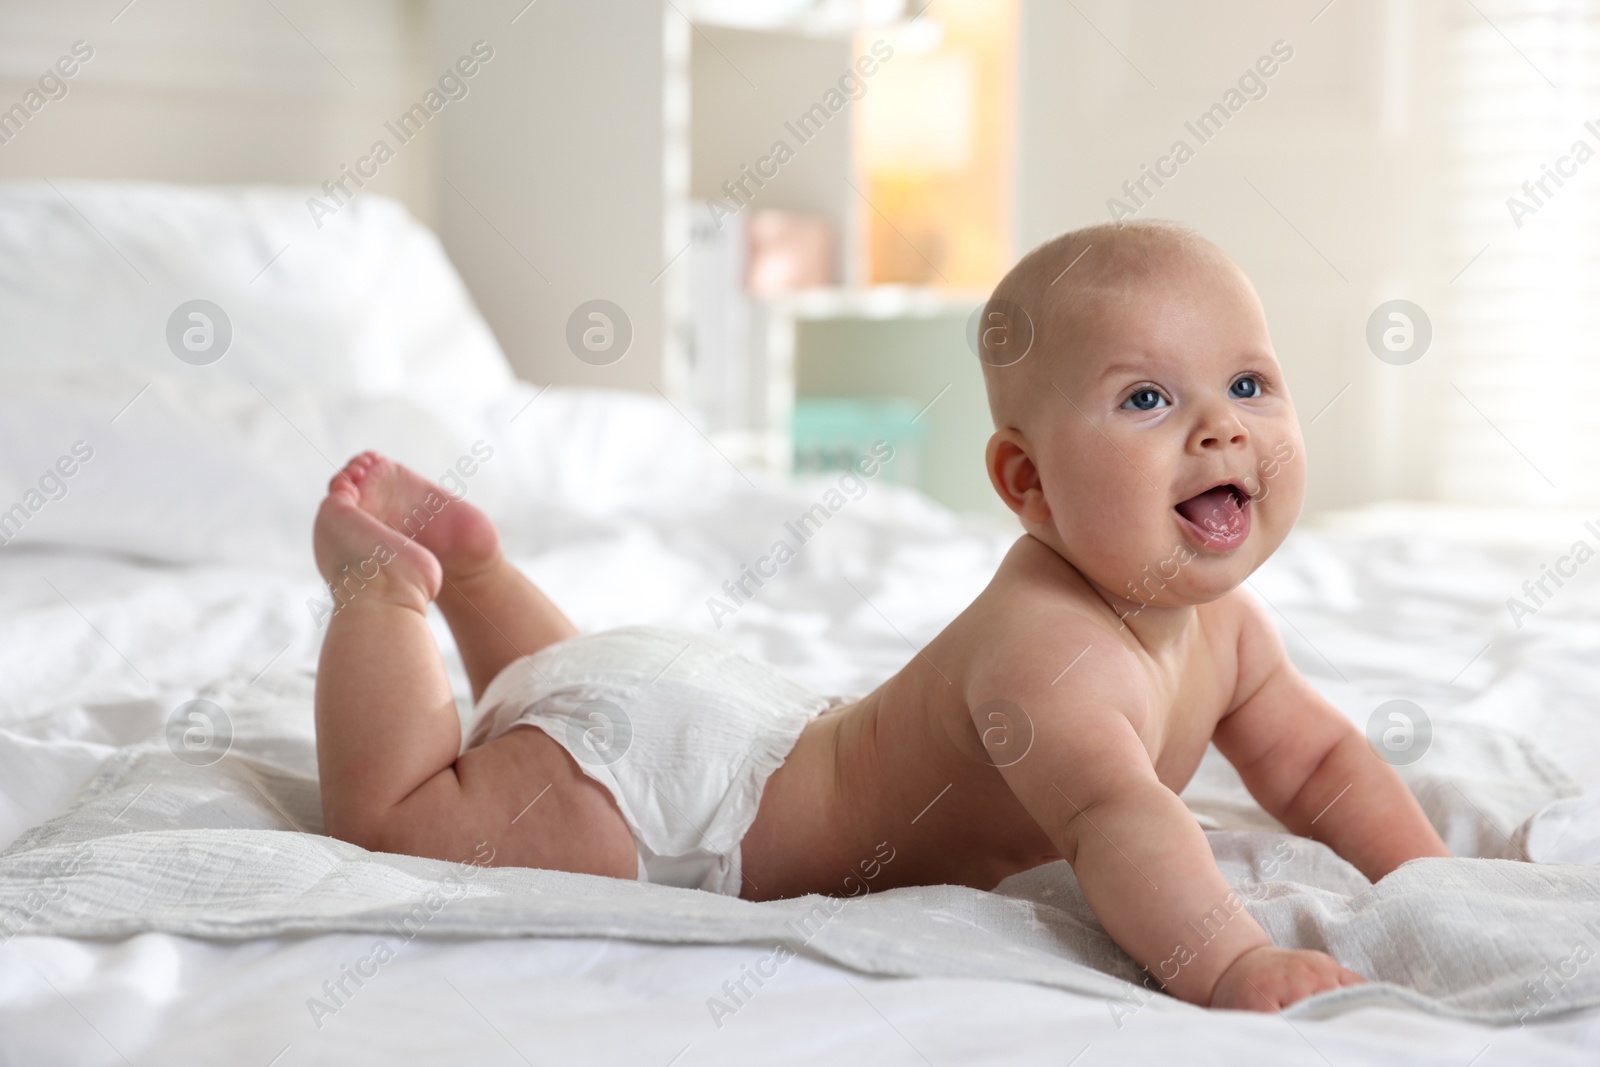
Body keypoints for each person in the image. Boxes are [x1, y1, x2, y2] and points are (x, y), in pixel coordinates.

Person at [310, 220, 1450, 1012]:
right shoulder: (1049, 650)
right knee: (407, 822)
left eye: (1247, 383)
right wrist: (1232, 964)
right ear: (1027, 482)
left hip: (726, 707)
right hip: (699, 807)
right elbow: (1118, 817)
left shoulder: (1229, 627)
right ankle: (387, 589)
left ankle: (482, 576)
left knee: (565, 700)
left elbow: (1317, 762)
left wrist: (1428, 878)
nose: (1221, 427)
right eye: (1146, 398)